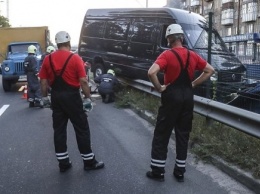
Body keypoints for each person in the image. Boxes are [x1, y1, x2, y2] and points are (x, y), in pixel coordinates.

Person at [146, 24, 215, 182]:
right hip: (187, 97)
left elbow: (151, 72)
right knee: (183, 134)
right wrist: (194, 84)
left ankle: (158, 171)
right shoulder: (192, 55)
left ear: (169, 39)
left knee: (162, 133)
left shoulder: (167, 55)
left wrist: (159, 88)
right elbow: (210, 70)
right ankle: (179, 172)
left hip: (171, 97)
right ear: (182, 38)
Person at [39, 31, 104, 172]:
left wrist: (45, 97)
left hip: (56, 97)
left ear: (57, 43)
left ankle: (63, 163)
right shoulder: (75, 58)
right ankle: (89, 162)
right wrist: (88, 98)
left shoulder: (47, 59)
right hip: (72, 98)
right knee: (81, 129)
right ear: (69, 43)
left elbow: (43, 82)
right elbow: (83, 81)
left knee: (59, 130)